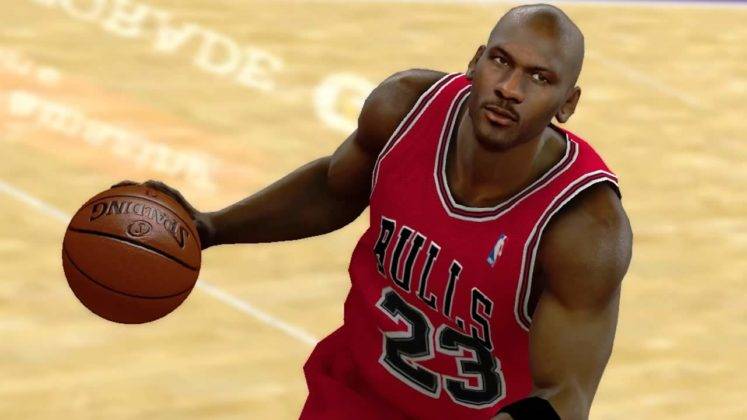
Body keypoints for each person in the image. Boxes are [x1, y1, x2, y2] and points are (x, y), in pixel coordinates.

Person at [118, 4, 632, 419]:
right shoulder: (404, 108)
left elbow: (565, 396)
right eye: (501, 61)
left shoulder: (584, 228)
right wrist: (211, 226)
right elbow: (333, 188)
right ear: (475, 61)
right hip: (352, 395)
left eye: (539, 78)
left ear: (567, 104)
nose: (510, 89)